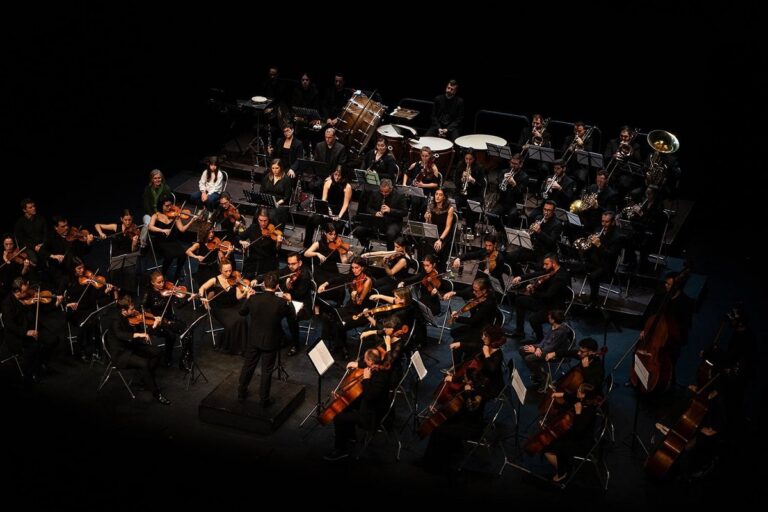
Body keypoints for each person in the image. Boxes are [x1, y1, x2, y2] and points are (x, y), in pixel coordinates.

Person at [421, 325, 506, 472]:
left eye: (485, 336)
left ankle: (433, 462)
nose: (482, 338)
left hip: (475, 410)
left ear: (491, 338)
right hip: (474, 395)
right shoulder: (486, 348)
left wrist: (467, 390)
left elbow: (491, 369)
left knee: (440, 427)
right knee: (442, 422)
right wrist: (460, 345)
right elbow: (475, 346)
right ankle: (440, 457)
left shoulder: (496, 356)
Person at [323, 348, 393, 461]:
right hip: (370, 405)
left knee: (338, 417)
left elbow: (370, 397)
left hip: (372, 414)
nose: (364, 362)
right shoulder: (379, 366)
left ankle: (341, 450)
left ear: (370, 361)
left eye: (365, 360)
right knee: (345, 405)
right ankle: (351, 436)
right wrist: (344, 397)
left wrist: (366, 379)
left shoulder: (380, 377)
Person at [237, 271, 291, 405]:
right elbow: (291, 316)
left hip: (254, 339)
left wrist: (248, 298)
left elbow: (242, 312)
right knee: (267, 371)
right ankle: (264, 399)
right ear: (277, 285)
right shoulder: (281, 302)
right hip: (271, 341)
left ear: (263, 285)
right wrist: (289, 301)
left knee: (248, 366)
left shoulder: (254, 299)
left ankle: (241, 393)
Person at [111, 296, 171, 405]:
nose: (134, 311)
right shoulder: (116, 319)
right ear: (124, 310)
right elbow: (119, 334)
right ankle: (156, 393)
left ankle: (145, 379)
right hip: (121, 353)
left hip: (132, 345)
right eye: (132, 309)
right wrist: (137, 334)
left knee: (158, 352)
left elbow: (143, 329)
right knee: (144, 363)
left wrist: (153, 324)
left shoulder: (132, 316)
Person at [1, 277, 60, 385]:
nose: (28, 293)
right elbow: (10, 325)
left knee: (53, 340)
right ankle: (29, 373)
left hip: (34, 327)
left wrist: (55, 303)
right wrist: (26, 332)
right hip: (18, 334)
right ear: (17, 292)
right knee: (34, 346)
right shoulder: (7, 304)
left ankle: (42, 363)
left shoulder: (29, 297)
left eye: (28, 289)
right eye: (25, 292)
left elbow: (43, 310)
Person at [543, 382, 600, 483]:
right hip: (577, 437)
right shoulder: (585, 401)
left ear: (583, 395)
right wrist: (560, 394)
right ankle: (564, 465)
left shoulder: (589, 412)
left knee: (548, 449)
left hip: (582, 443)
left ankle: (563, 471)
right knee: (555, 440)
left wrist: (578, 414)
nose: (576, 391)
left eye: (579, 391)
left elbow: (578, 431)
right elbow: (573, 398)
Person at [511, 253, 571, 342]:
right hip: (543, 302)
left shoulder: (560, 277)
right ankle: (519, 332)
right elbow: (537, 274)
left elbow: (548, 295)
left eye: (546, 264)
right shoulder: (551, 271)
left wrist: (533, 292)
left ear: (554, 263)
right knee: (519, 300)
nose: (544, 266)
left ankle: (540, 340)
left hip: (553, 307)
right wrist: (521, 277)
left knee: (533, 319)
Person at [195, 260, 249, 355]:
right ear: (220, 270)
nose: (229, 273)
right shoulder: (214, 280)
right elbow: (202, 288)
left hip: (232, 307)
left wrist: (245, 293)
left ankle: (242, 348)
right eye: (226, 271)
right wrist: (202, 297)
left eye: (230, 270)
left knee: (242, 320)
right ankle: (229, 346)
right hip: (219, 309)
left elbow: (238, 297)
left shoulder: (234, 279)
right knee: (231, 323)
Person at [519, 309, 571, 392]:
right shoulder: (553, 326)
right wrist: (538, 348)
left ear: (553, 320)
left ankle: (543, 378)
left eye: (550, 318)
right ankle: (537, 371)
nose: (548, 318)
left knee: (529, 358)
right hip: (545, 348)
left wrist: (535, 350)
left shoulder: (560, 332)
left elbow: (552, 347)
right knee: (522, 349)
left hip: (552, 352)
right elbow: (545, 339)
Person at [147, 194, 194, 283]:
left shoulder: (175, 215)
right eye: (166, 206)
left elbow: (182, 229)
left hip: (173, 241)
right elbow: (150, 227)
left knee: (183, 254)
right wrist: (162, 230)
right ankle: (163, 273)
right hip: (160, 242)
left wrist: (192, 221)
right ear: (161, 205)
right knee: (170, 255)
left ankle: (177, 273)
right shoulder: (156, 215)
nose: (169, 207)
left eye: (170, 205)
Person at [302, 167, 352, 249]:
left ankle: (329, 247)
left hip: (340, 212)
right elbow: (324, 200)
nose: (337, 177)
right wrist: (326, 211)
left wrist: (338, 216)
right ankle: (307, 245)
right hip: (328, 209)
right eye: (335, 174)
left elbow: (345, 205)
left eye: (339, 175)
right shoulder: (328, 183)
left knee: (331, 226)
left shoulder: (347, 187)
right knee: (311, 219)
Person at [582, 211, 624, 308]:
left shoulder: (618, 237)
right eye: (602, 221)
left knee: (593, 277)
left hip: (607, 266)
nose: (603, 224)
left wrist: (599, 245)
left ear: (613, 222)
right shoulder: (598, 229)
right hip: (595, 261)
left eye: (606, 222)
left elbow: (611, 256)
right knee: (575, 266)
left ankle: (593, 301)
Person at [442, 276, 498, 348]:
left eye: (476, 290)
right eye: (473, 289)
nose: (473, 292)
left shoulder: (489, 303)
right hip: (475, 325)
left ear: (484, 290)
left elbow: (473, 320)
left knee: (457, 340)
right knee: (454, 332)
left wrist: (457, 317)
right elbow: (465, 292)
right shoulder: (479, 294)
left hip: (482, 330)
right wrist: (453, 293)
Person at [94, 209, 140, 296]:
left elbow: (133, 250)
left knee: (130, 272)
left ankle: (128, 295)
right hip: (116, 258)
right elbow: (97, 225)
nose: (127, 222)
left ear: (132, 219)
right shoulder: (116, 227)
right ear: (121, 219)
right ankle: (116, 296)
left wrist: (134, 243)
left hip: (128, 257)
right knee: (114, 272)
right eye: (125, 220)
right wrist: (101, 233)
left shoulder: (135, 229)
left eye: (129, 220)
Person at [354, 179, 407, 250]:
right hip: (376, 221)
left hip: (393, 222)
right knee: (358, 230)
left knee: (390, 234)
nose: (384, 194)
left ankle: (389, 254)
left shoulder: (399, 195)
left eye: (386, 192)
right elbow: (368, 208)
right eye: (382, 191)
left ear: (391, 188)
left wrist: (390, 210)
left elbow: (404, 212)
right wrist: (375, 213)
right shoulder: (375, 193)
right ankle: (366, 246)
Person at [282, 252, 312, 357]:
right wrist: (257, 279)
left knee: (291, 316)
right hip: (289, 300)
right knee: (272, 309)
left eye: (293, 264)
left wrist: (289, 288)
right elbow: (277, 272)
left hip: (303, 305)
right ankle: (282, 337)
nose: (290, 266)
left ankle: (295, 344)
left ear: (300, 263)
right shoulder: (289, 269)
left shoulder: (305, 274)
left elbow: (300, 294)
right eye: (289, 264)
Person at [238, 208, 282, 280]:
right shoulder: (253, 228)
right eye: (260, 220)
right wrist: (241, 241)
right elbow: (239, 237)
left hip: (267, 262)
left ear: (269, 219)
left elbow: (276, 251)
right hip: (253, 261)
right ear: (257, 219)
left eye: (265, 220)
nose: (263, 223)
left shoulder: (273, 231)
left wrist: (278, 243)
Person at [492, 153, 529, 228]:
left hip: (516, 204)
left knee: (511, 216)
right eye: (512, 163)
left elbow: (520, 193)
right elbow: (497, 189)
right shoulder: (504, 172)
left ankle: (507, 236)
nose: (513, 165)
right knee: (492, 215)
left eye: (515, 164)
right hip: (503, 202)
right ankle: (502, 230)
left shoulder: (524, 177)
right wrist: (502, 179)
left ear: (521, 165)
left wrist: (514, 184)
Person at [422, 189, 455, 270]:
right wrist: (427, 218)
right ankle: (425, 266)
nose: (437, 196)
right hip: (434, 231)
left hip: (444, 234)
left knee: (436, 247)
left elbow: (448, 227)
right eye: (436, 194)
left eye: (440, 195)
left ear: (444, 197)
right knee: (422, 243)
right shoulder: (431, 205)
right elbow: (429, 224)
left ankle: (436, 268)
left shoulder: (449, 208)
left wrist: (440, 239)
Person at [141, 169, 172, 247]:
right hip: (150, 213)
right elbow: (146, 205)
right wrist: (154, 215)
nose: (157, 180)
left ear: (162, 178)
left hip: (163, 213)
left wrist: (162, 214)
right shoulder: (147, 189)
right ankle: (142, 244)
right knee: (147, 224)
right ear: (152, 179)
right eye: (155, 178)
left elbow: (169, 202)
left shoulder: (166, 188)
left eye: (159, 178)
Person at [13, 198, 46, 266]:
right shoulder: (20, 223)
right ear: (24, 210)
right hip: (28, 247)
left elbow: (46, 233)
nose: (33, 208)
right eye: (30, 207)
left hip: (41, 245)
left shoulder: (41, 219)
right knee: (34, 259)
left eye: (34, 206)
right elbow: (21, 240)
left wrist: (43, 243)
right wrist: (34, 246)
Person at [260, 159, 292, 225]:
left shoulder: (286, 179)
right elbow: (262, 191)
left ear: (281, 168)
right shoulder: (267, 177)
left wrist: (277, 203)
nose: (274, 170)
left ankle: (272, 232)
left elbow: (287, 197)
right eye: (273, 168)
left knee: (272, 214)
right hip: (267, 202)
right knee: (258, 213)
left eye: (277, 168)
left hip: (280, 204)